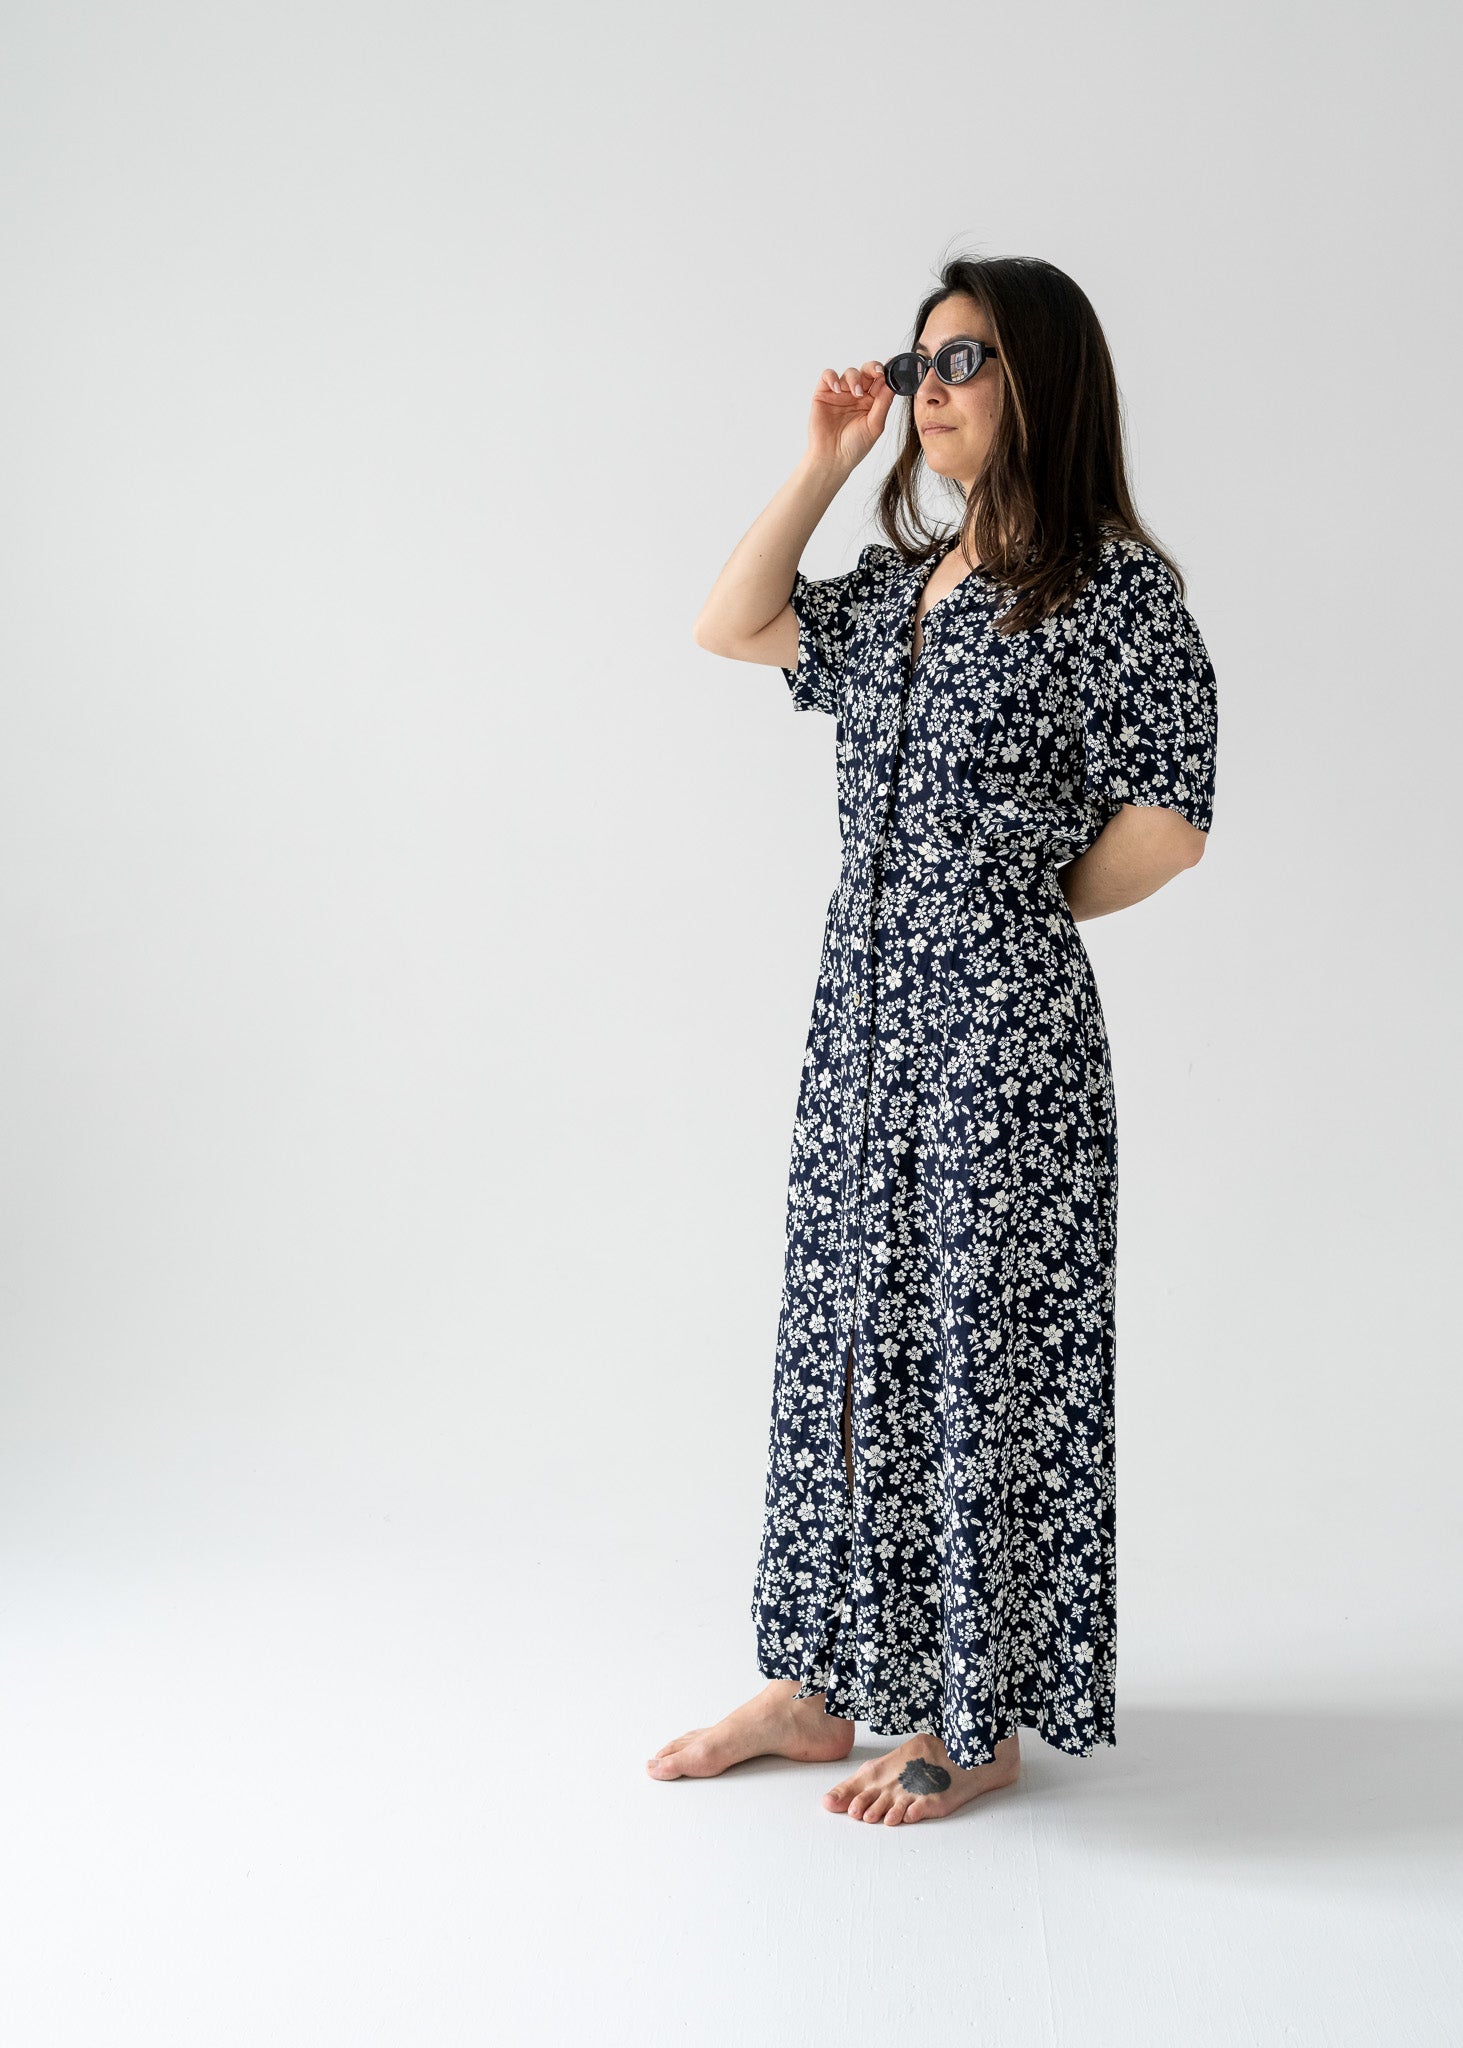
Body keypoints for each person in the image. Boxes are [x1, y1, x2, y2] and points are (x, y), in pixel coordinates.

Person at [648, 254, 1219, 1826]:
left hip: (999, 1037)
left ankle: (977, 1718)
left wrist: (1011, 908)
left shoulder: (1110, 591)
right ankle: (821, 1681)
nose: (928, 391)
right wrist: (827, 460)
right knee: (843, 1337)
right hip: (860, 1026)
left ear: (1044, 377)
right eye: (916, 367)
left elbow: (1169, 822)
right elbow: (729, 621)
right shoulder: (903, 585)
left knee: (981, 1356)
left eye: (962, 360)